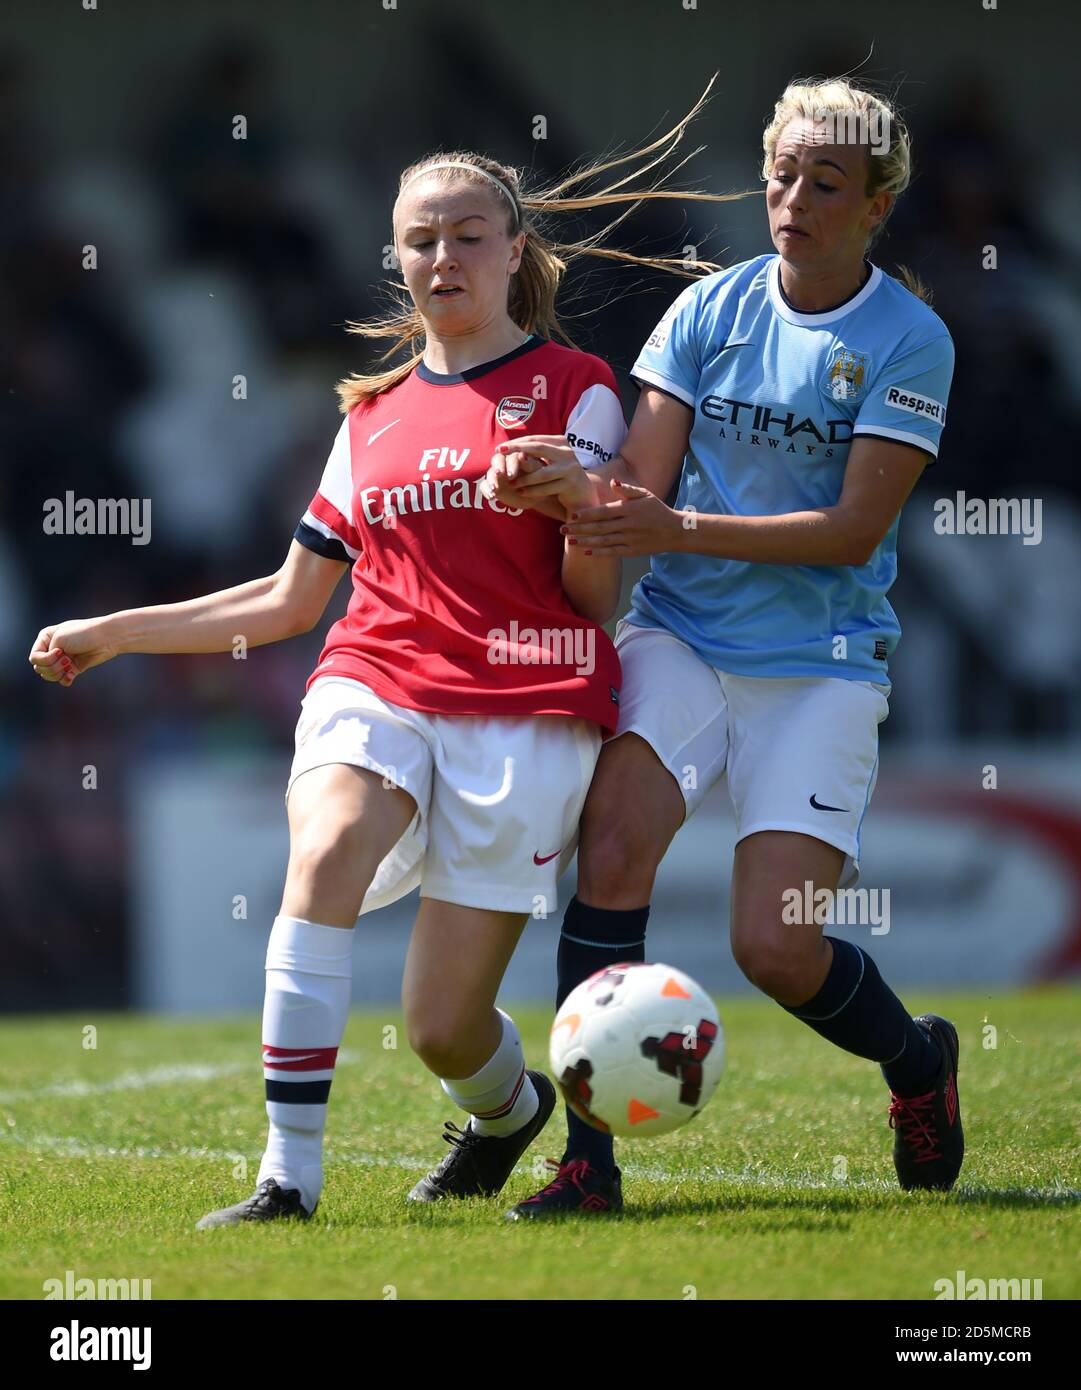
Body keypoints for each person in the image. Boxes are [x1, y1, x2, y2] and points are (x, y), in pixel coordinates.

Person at [28, 88, 741, 1224]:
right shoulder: (369, 414)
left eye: (468, 236)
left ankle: (509, 1113)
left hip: (528, 706)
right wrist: (116, 633)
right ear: (395, 259)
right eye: (422, 239)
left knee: (441, 1027)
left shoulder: (576, 391)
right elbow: (287, 599)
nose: (444, 257)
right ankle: (285, 1180)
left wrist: (569, 503)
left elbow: (594, 600)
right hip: (379, 680)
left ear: (515, 251)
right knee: (326, 853)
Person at [486, 77, 962, 1219]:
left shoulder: (910, 338)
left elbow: (853, 529)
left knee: (775, 949)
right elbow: (633, 490)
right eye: (783, 174)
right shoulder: (708, 310)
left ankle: (916, 1062)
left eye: (826, 184)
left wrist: (670, 524)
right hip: (687, 636)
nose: (794, 198)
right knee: (610, 849)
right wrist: (557, 479)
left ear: (875, 208)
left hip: (822, 664)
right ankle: (589, 1165)